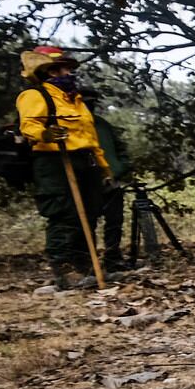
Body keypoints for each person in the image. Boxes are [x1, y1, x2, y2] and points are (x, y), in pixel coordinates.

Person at [15, 46, 110, 289]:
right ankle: (64, 270)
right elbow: (29, 126)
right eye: (62, 68)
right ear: (49, 71)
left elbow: (91, 137)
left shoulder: (76, 100)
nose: (68, 72)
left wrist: (104, 168)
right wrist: (45, 133)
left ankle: (87, 268)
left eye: (68, 68)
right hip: (54, 161)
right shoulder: (36, 95)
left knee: (89, 213)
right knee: (64, 214)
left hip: (84, 160)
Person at [79, 89, 132, 270]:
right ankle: (88, 262)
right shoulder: (73, 125)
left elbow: (120, 148)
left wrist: (120, 168)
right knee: (88, 223)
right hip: (87, 182)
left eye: (92, 101)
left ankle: (113, 258)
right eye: (86, 101)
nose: (89, 105)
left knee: (115, 222)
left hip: (112, 179)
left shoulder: (102, 124)